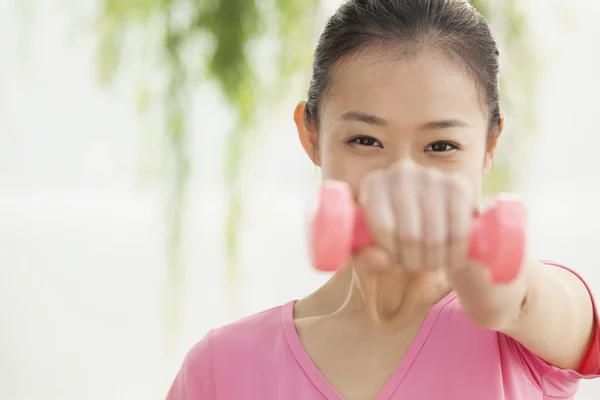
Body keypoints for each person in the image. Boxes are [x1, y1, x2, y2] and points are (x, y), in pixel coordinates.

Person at [166, 0, 600, 399]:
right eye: (365, 140)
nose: (402, 180)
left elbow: (514, 299)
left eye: (441, 146)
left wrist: (483, 276)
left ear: (490, 145)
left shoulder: (530, 328)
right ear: (311, 136)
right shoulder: (220, 369)